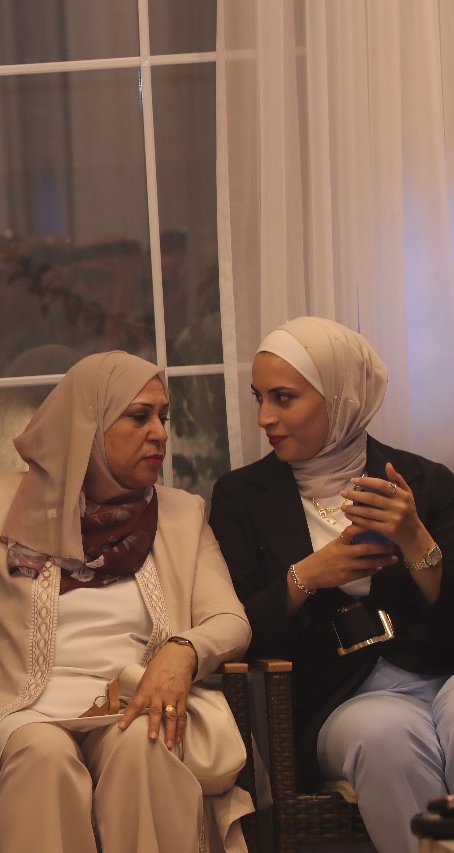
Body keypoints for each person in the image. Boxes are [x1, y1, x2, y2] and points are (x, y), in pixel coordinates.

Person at [0, 351, 252, 853]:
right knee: (44, 755)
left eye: (163, 417)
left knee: (147, 745)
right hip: (22, 712)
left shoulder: (182, 516)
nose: (159, 433)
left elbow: (230, 619)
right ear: (88, 425)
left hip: (128, 703)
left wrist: (182, 651)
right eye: (139, 417)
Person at [209, 316, 453, 853]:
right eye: (259, 398)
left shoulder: (425, 482)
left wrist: (416, 541)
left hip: (441, 673)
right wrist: (306, 577)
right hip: (343, 697)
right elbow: (236, 629)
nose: (264, 418)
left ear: (343, 397)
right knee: (386, 738)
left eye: (283, 398)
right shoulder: (241, 498)